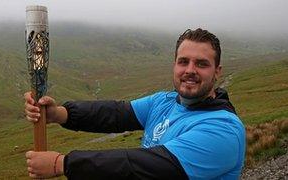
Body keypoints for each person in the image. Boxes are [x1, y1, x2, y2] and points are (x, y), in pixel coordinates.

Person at [24, 28, 246, 179]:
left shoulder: (223, 129)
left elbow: (149, 166)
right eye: (183, 61)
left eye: (201, 64)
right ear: (174, 65)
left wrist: (62, 164)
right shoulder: (165, 101)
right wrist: (59, 114)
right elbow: (116, 113)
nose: (190, 70)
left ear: (217, 71)